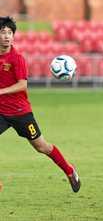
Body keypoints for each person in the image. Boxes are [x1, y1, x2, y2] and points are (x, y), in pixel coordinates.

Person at [0, 16, 80, 193]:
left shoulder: (17, 58)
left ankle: (69, 170)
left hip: (21, 112)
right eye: (3, 32)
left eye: (10, 33)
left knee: (41, 146)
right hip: (1, 112)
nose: (6, 36)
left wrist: (1, 92)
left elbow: (23, 84)